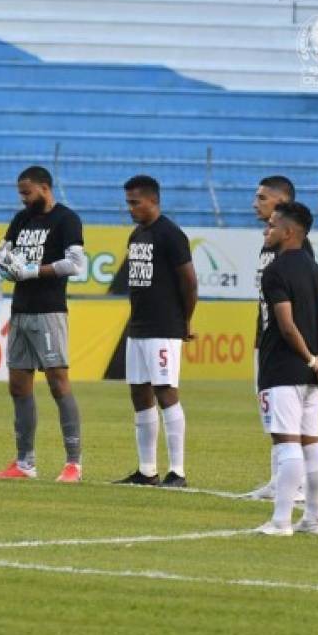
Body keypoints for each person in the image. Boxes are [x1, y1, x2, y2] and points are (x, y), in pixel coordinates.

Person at [0, 166, 86, 482]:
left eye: (27, 192)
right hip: (21, 310)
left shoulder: (67, 219)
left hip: (49, 311)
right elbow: (3, 252)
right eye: (20, 193)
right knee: (18, 385)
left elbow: (76, 264)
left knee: (58, 383)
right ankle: (24, 463)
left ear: (45, 188)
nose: (23, 198)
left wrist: (32, 270)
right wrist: (2, 264)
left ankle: (73, 463)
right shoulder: (22, 219)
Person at [255, 201, 318, 536]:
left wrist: (308, 357)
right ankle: (312, 519)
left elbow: (286, 326)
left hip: (283, 368)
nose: (265, 230)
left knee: (287, 443)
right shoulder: (317, 270)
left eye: (271, 225)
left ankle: (281, 521)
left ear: (288, 232)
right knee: (311, 442)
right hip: (310, 372)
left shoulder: (275, 271)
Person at [114, 175, 197, 487]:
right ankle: (147, 470)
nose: (130, 208)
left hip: (164, 326)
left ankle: (178, 471)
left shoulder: (171, 235)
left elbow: (189, 282)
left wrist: (185, 320)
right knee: (139, 392)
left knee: (165, 391)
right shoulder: (136, 236)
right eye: (128, 203)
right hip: (138, 326)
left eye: (135, 202)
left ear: (153, 201)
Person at [247, 176, 309, 501]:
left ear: (281, 201)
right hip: (267, 342)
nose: (255, 203)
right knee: (271, 414)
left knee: (289, 417)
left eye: (262, 198)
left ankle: (295, 486)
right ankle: (279, 480)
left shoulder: (297, 247)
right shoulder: (268, 243)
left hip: (286, 347)